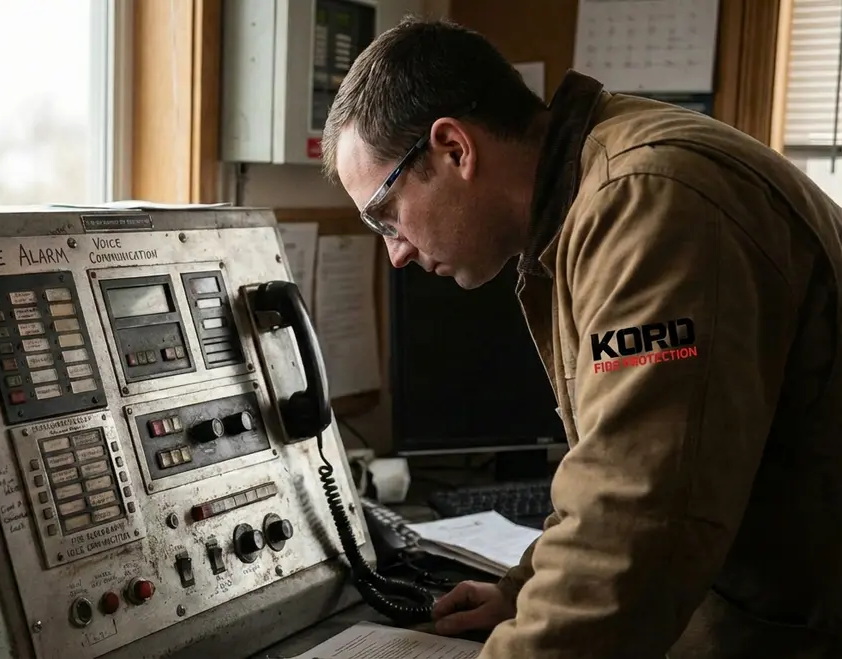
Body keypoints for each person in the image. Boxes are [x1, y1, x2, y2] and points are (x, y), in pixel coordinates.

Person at [321, 17, 842, 659]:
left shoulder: (645, 202)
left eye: (385, 215)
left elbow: (639, 518)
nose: (396, 252)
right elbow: (617, 465)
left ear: (454, 148)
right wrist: (523, 591)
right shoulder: (590, 194)